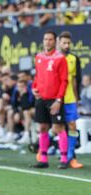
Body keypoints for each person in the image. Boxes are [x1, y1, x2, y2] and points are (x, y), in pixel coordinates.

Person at [32, 31, 69, 169]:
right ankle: (43, 159)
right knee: (42, 127)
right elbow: (37, 76)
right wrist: (34, 88)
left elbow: (64, 81)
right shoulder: (39, 57)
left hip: (55, 99)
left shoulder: (60, 58)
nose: (47, 42)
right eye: (45, 39)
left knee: (58, 128)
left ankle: (64, 158)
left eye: (50, 39)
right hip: (41, 98)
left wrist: (59, 100)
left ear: (55, 42)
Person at [57, 31, 83, 168]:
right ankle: (42, 148)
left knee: (72, 125)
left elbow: (76, 80)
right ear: (59, 43)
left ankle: (70, 156)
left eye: (68, 43)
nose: (66, 45)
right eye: (64, 42)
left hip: (70, 98)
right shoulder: (53, 58)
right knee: (56, 127)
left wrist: (77, 98)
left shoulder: (74, 58)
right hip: (56, 98)